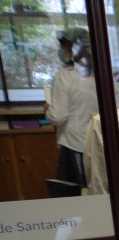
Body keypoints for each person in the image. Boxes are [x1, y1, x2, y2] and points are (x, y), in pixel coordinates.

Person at [46, 28, 98, 194]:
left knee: (79, 194)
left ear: (75, 49)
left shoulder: (64, 76)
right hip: (101, 144)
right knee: (101, 190)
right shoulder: (105, 74)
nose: (62, 50)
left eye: (65, 47)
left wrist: (47, 110)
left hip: (76, 145)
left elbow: (58, 117)